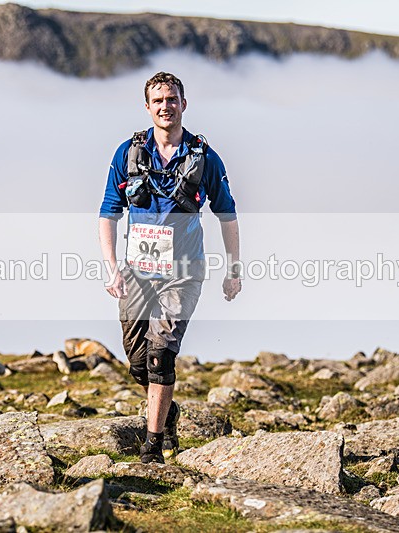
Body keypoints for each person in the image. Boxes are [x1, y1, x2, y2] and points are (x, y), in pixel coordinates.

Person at [98, 72, 241, 463]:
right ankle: (168, 410)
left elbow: (227, 215)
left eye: (173, 99)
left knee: (161, 354)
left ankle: (152, 445)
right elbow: (108, 214)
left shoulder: (203, 157)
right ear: (148, 107)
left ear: (184, 104)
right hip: (136, 273)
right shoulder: (128, 153)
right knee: (139, 362)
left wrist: (234, 268)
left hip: (184, 271)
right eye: (158, 100)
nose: (166, 106)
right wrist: (112, 268)